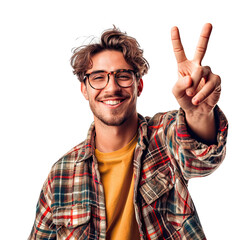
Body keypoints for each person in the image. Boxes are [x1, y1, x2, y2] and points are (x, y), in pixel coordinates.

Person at [29, 23, 228, 240]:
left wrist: (199, 113)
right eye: (98, 77)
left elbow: (200, 160)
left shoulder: (163, 136)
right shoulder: (60, 176)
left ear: (138, 85)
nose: (111, 87)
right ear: (84, 89)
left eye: (122, 75)